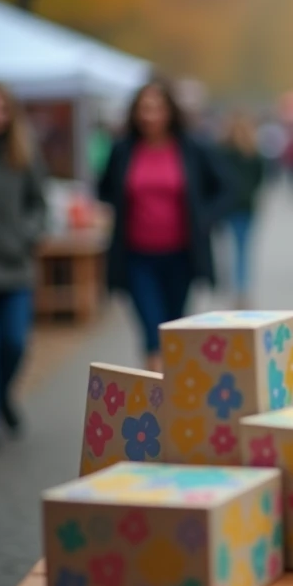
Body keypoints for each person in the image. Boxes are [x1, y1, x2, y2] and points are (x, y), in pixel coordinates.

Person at [98, 78, 234, 371]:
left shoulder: (192, 148)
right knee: (151, 329)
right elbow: (104, 189)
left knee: (173, 327)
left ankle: (172, 393)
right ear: (134, 113)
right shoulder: (123, 150)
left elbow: (225, 189)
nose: (150, 115)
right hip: (137, 256)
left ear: (170, 111)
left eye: (157, 108)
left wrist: (204, 218)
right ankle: (156, 398)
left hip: (181, 256)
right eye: (144, 108)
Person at [0, 84, 47, 450]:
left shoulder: (23, 154)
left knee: (14, 342)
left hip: (15, 268)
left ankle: (4, 395)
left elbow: (40, 205)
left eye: (1, 109)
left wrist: (26, 235)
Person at [218, 112, 265, 308]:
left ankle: (235, 286)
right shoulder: (252, 153)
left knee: (230, 248)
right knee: (242, 249)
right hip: (245, 206)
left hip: (228, 207)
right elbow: (259, 180)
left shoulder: (222, 152)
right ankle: (241, 288)